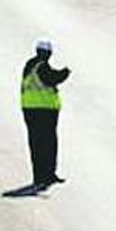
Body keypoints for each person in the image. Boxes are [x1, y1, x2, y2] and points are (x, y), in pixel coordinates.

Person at [21, 39, 71, 190]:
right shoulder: (40, 67)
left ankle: (40, 176)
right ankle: (47, 175)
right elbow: (51, 78)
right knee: (48, 143)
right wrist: (65, 72)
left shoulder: (30, 66)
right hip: (44, 110)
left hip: (30, 109)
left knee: (36, 143)